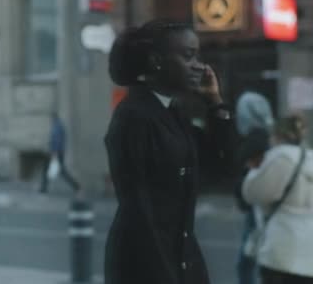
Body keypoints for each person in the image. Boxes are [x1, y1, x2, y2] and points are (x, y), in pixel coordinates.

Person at [103, 19, 236, 284]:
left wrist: (215, 104)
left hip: (181, 258)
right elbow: (138, 209)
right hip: (147, 266)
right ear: (156, 61)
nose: (200, 65)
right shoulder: (134, 117)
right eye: (188, 56)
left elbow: (226, 164)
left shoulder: (173, 113)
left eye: (198, 55)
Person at [242, 115, 313, 284]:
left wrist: (253, 170)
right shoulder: (311, 158)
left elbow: (252, 193)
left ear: (277, 135)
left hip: (282, 250)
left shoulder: (280, 158)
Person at [234, 91, 275, 284]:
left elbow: (245, 170)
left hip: (257, 206)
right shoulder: (268, 136)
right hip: (264, 205)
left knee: (247, 261)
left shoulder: (255, 140)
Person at [39, 113, 81, 194]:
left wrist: (54, 153)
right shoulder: (59, 125)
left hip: (56, 153)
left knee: (60, 171)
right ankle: (43, 188)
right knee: (48, 169)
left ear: (53, 117)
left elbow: (57, 141)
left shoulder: (57, 127)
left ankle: (77, 186)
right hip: (57, 152)